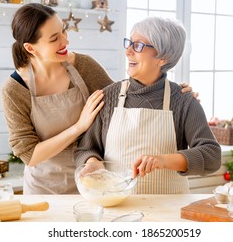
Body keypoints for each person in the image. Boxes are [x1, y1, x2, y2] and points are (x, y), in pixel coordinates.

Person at [1, 4, 195, 194]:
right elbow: (30, 155)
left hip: (94, 182)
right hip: (43, 188)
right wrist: (79, 126)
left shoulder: (83, 66)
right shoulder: (15, 90)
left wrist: (176, 94)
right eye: (54, 39)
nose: (65, 41)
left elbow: (124, 99)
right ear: (30, 48)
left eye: (64, 31)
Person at [74, 16, 221, 194]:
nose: (128, 51)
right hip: (117, 208)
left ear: (163, 58)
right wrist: (92, 162)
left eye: (138, 45)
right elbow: (86, 148)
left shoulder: (183, 100)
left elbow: (212, 156)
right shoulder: (109, 96)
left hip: (168, 211)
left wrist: (164, 161)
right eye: (129, 43)